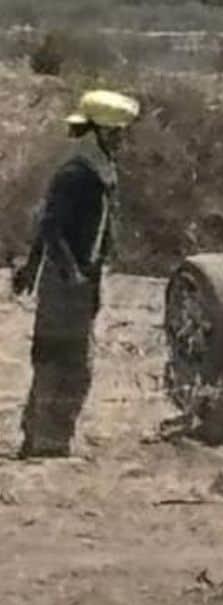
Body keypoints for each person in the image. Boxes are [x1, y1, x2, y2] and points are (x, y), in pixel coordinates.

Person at [10, 90, 140, 458]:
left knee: (66, 360)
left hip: (82, 277)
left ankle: (46, 440)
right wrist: (68, 273)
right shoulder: (77, 174)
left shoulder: (95, 171)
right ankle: (44, 443)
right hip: (69, 283)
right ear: (100, 132)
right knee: (63, 362)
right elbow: (51, 226)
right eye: (117, 133)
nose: (122, 139)